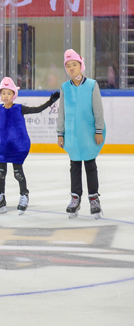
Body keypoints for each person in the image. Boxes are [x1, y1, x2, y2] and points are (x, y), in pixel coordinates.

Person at [0, 78, 60, 215]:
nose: (6, 96)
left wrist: (50, 102)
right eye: (3, 93)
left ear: (14, 95)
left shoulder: (19, 108)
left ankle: (24, 195)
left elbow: (37, 109)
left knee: (18, 173)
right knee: (0, 174)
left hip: (17, 146)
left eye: (9, 93)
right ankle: (0, 197)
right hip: (1, 146)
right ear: (0, 95)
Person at [58, 50, 105, 219]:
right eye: (68, 66)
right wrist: (60, 133)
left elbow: (98, 109)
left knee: (90, 165)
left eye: (74, 65)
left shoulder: (91, 85)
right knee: (75, 166)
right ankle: (75, 198)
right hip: (72, 135)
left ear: (81, 65)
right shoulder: (65, 87)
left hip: (89, 134)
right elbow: (61, 112)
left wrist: (99, 130)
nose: (71, 68)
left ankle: (94, 198)